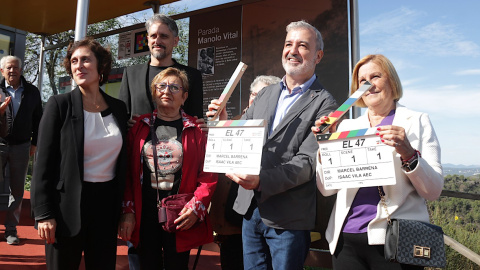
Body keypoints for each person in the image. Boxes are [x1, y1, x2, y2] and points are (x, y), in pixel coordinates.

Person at [207, 21, 337, 270]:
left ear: (318, 55)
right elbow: (243, 137)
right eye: (289, 44)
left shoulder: (326, 103)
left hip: (288, 218)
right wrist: (223, 123)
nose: (293, 50)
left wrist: (261, 180)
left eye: (302, 45)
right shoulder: (266, 94)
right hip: (249, 212)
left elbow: (308, 162)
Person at [313, 54, 443, 270]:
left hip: (396, 240)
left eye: (375, 76)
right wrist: (324, 148)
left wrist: (409, 153)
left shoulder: (417, 121)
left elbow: (433, 191)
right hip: (346, 240)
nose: (369, 85)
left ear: (391, 80)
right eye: (362, 80)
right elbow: (327, 189)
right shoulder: (346, 128)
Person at [31, 38, 128, 270]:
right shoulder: (59, 105)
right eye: (74, 61)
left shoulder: (119, 109)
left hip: (106, 208)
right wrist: (43, 213)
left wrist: (126, 210)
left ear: (101, 66)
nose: (79, 65)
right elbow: (42, 164)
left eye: (86, 59)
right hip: (66, 208)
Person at [118, 67, 217, 270]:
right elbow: (126, 173)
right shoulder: (138, 127)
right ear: (154, 92)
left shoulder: (197, 130)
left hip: (180, 214)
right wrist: (128, 211)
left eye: (174, 87)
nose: (167, 91)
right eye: (161, 86)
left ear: (184, 96)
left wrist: (196, 206)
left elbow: (208, 174)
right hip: (143, 212)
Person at [210, 74, 280, 270]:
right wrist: (220, 126)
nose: (255, 99)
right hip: (232, 219)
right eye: (253, 94)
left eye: (263, 94)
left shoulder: (281, 128)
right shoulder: (231, 122)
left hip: (266, 217)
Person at [119, 13, 204, 127]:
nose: (157, 41)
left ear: (175, 41)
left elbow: (196, 119)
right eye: (153, 36)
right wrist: (126, 125)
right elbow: (122, 116)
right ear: (148, 40)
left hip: (177, 143)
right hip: (138, 143)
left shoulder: (192, 76)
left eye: (164, 36)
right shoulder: (131, 74)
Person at [0, 55, 43, 245]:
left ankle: (11, 230)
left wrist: (34, 143)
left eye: (16, 67)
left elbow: (38, 120)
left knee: (17, 190)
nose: (12, 70)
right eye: (8, 67)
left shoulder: (32, 92)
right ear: (2, 71)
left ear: (21, 70)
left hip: (22, 146)